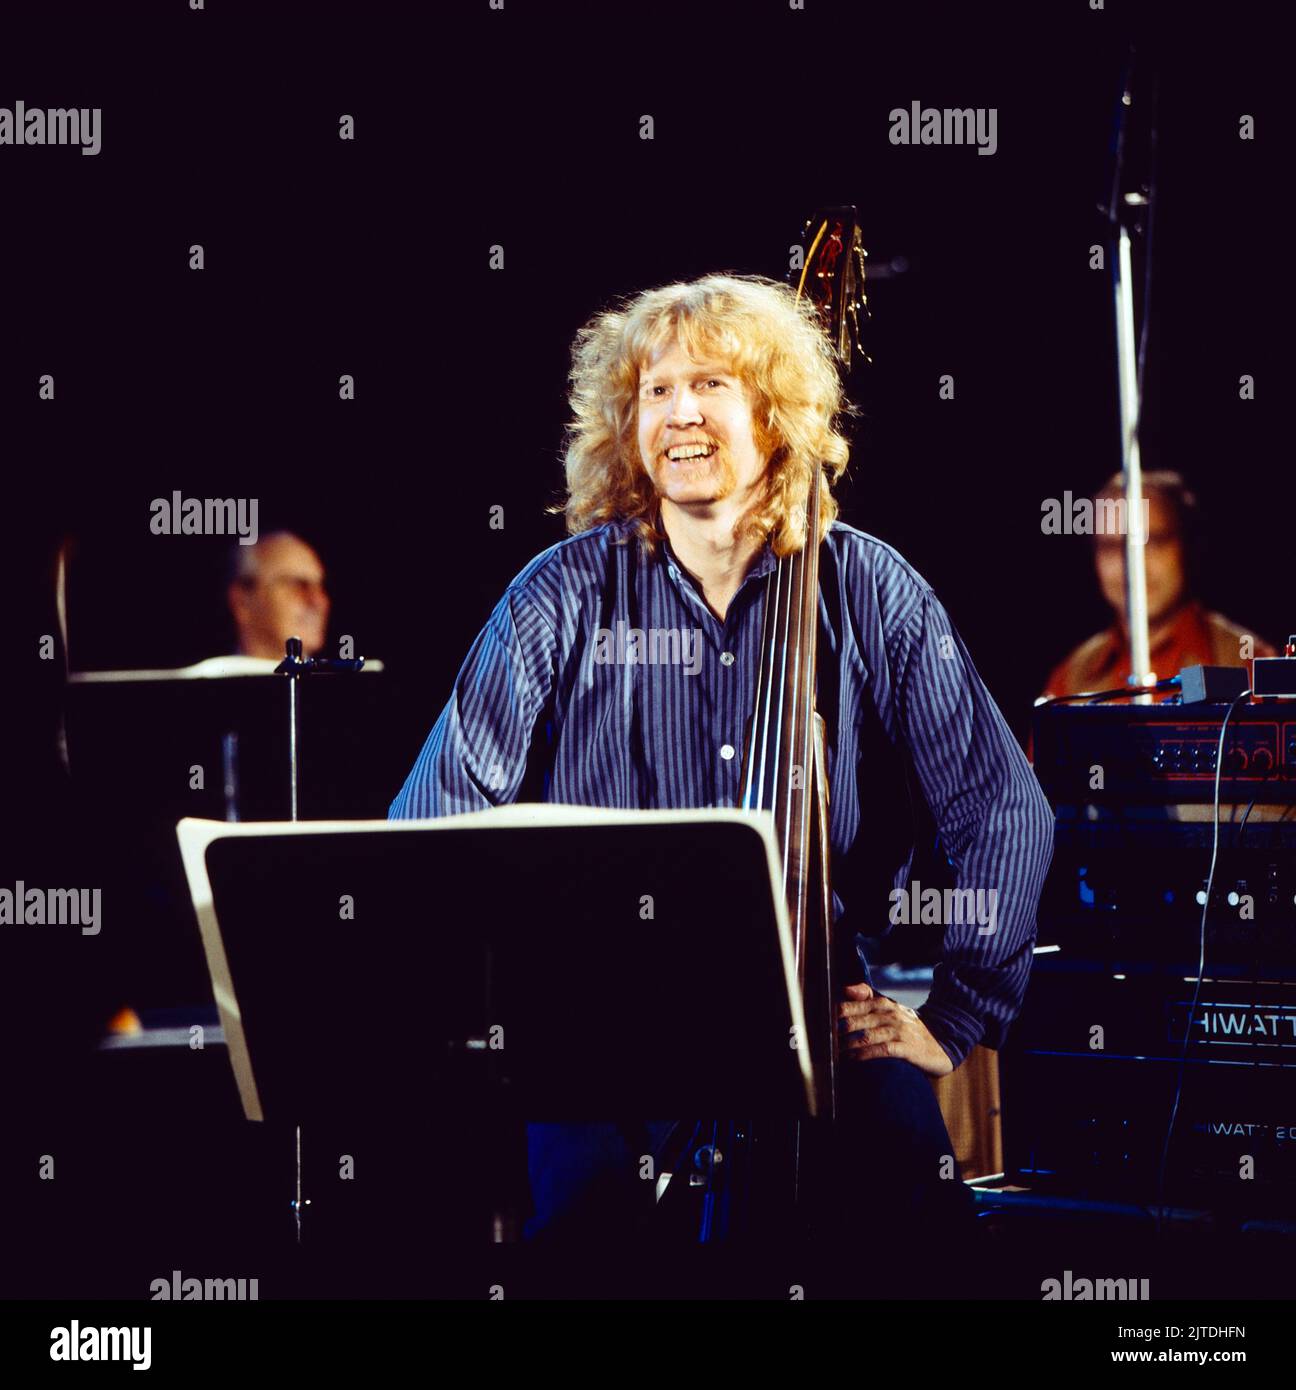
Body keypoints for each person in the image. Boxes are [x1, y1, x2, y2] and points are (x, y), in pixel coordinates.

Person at [390, 274, 1054, 1247]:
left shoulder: (866, 585)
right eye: (656, 390)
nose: (680, 412)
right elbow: (434, 818)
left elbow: (1003, 809)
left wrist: (956, 1018)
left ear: (774, 414)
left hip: (818, 1017)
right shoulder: (561, 593)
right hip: (602, 1036)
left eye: (711, 385)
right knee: (588, 1227)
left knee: (910, 1201)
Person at [1041, 472, 1274, 698]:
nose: (1133, 566)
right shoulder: (1070, 678)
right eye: (1111, 546)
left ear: (1186, 547)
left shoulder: (1250, 662)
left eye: (1153, 542)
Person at [225, 531, 331, 661]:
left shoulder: (345, 680)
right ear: (242, 601)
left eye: (320, 586)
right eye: (297, 584)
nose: (318, 601)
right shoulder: (206, 679)